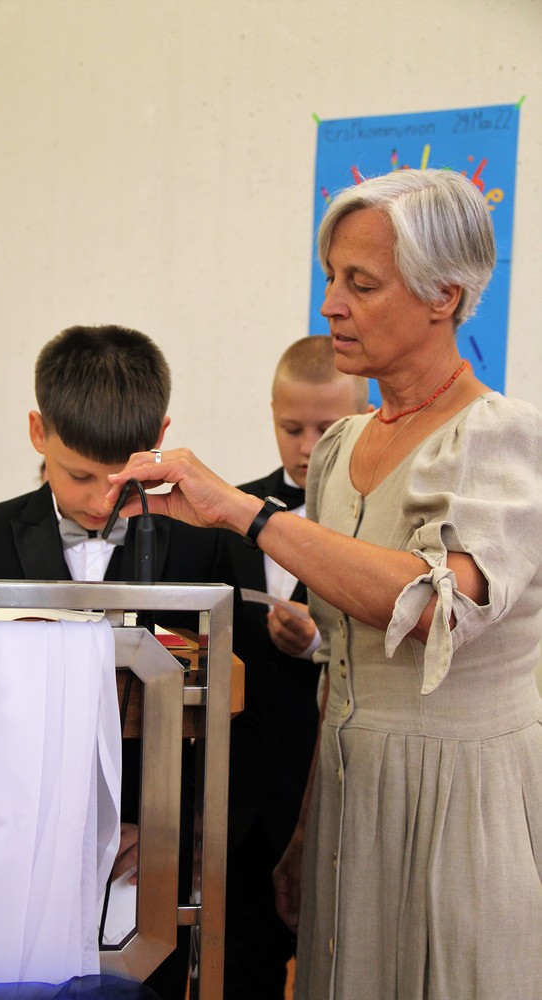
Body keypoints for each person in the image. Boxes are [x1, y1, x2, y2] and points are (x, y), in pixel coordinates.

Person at [106, 169, 542, 1000]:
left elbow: (432, 604)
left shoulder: (500, 437)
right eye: (331, 278)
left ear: (444, 295)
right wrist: (308, 831)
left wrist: (245, 513)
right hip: (349, 798)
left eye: (360, 284)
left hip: (460, 803)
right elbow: (342, 674)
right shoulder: (340, 448)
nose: (330, 305)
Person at [0, 324, 243, 1000]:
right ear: (37, 431)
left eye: (120, 479)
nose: (103, 500)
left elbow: (229, 716)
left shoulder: (205, 546)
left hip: (153, 861)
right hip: (11, 847)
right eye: (80, 476)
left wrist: (173, 831)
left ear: (161, 436)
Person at [222, 336, 370, 1000]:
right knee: (240, 968)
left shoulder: (377, 525)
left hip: (337, 793)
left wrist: (318, 644)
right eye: (291, 428)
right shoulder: (229, 513)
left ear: (363, 416)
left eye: (326, 429)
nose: (307, 447)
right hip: (241, 806)